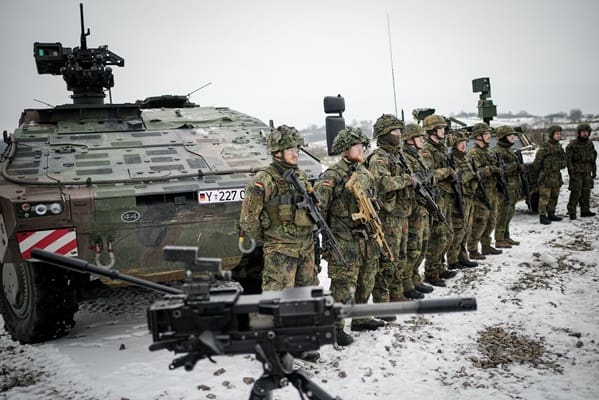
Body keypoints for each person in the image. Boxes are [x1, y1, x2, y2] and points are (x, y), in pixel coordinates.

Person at [313, 127, 384, 343]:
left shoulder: (365, 173)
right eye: (356, 146)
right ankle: (335, 327)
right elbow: (319, 211)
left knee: (367, 279)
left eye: (362, 145)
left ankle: (361, 318)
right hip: (344, 241)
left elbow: (375, 200)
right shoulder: (332, 176)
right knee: (343, 286)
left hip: (366, 238)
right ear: (345, 149)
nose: (361, 149)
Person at [239, 125, 318, 291]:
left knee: (308, 299)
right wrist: (272, 239)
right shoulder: (263, 180)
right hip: (280, 253)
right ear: (277, 152)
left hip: (306, 250)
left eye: (297, 149)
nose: (295, 154)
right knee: (279, 300)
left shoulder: (301, 175)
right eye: (290, 150)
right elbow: (248, 220)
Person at [366, 114, 415, 313]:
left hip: (401, 213)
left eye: (400, 131)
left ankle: (396, 293)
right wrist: (406, 180)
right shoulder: (379, 158)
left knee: (400, 257)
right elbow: (383, 183)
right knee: (387, 259)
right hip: (388, 216)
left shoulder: (397, 156)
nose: (399, 134)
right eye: (395, 131)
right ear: (384, 134)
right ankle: (382, 301)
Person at [420, 115, 457, 287]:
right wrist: (447, 172)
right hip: (436, 196)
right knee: (438, 236)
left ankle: (440, 267)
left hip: (446, 195)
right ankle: (431, 272)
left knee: (447, 234)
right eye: (441, 128)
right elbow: (427, 176)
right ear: (432, 130)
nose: (444, 131)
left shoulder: (440, 148)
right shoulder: (426, 150)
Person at [401, 123, 435, 295]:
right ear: (409, 139)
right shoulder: (405, 157)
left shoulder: (419, 156)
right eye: (419, 137)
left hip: (423, 207)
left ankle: (414, 278)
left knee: (422, 246)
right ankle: (406, 282)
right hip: (414, 208)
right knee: (412, 248)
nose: (423, 140)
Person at [467, 122, 503, 258]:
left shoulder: (488, 152)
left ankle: (486, 246)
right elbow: (474, 173)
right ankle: (472, 249)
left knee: (491, 221)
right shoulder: (473, 154)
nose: (489, 136)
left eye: (489, 134)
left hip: (492, 192)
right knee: (479, 222)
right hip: (480, 194)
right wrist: (490, 170)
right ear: (478, 136)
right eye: (485, 134)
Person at [446, 130, 479, 269]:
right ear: (454, 144)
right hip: (459, 198)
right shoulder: (451, 159)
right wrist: (471, 176)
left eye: (465, 142)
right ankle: (453, 259)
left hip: (469, 197)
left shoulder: (465, 158)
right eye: (460, 142)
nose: (464, 145)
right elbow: (456, 179)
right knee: (458, 230)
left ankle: (463, 257)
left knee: (466, 229)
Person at [489, 125, 522, 247]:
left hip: (513, 187)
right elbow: (498, 169)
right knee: (503, 212)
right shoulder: (496, 151)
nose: (513, 137)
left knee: (509, 212)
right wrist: (515, 166)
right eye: (510, 135)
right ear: (503, 137)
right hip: (504, 187)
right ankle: (499, 239)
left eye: (513, 135)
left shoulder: (509, 150)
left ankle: (505, 236)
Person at [532, 125, 567, 224]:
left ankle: (551, 213)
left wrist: (560, 165)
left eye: (559, 134)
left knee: (554, 196)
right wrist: (545, 170)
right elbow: (537, 163)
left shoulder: (559, 147)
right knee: (544, 197)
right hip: (546, 177)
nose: (558, 135)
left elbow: (564, 160)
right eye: (557, 134)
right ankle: (542, 216)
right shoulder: (545, 147)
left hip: (556, 176)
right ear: (551, 134)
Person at [566, 123, 597, 219]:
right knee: (576, 192)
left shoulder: (590, 144)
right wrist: (571, 174)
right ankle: (572, 211)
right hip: (577, 172)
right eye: (583, 132)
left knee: (586, 191)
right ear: (579, 133)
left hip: (587, 172)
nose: (585, 134)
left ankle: (585, 210)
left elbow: (593, 159)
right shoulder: (572, 145)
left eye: (587, 132)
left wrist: (594, 171)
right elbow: (569, 161)